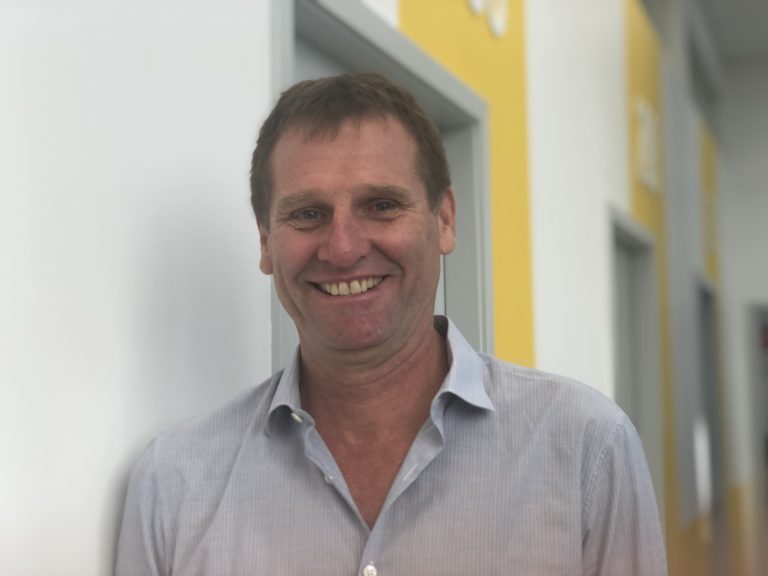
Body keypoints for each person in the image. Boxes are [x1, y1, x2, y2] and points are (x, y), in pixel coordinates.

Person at [116, 73, 667, 575]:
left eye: (381, 205)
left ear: (444, 220)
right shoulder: (174, 485)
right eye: (308, 214)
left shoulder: (587, 452)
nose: (343, 247)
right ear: (265, 241)